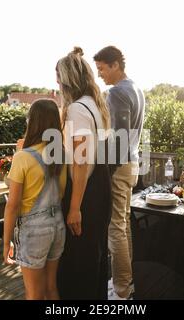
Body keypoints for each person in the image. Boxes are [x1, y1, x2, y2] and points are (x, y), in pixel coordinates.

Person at [56, 47, 112, 299]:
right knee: (95, 259)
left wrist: (74, 207)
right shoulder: (95, 105)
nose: (56, 82)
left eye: (58, 76)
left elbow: (80, 163)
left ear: (68, 79)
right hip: (101, 188)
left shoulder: (78, 109)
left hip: (85, 193)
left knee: (78, 264)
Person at [94, 46, 145, 300]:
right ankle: (126, 282)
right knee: (123, 226)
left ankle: (122, 291)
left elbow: (119, 138)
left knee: (115, 228)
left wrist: (107, 170)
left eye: (102, 68)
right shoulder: (137, 89)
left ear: (115, 65)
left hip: (119, 166)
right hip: (132, 164)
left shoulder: (116, 93)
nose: (100, 74)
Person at [3, 99, 67, 300]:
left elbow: (12, 205)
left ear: (33, 122)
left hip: (35, 230)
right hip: (58, 226)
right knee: (51, 288)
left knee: (33, 293)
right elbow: (62, 194)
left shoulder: (23, 157)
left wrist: (6, 243)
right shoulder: (61, 155)